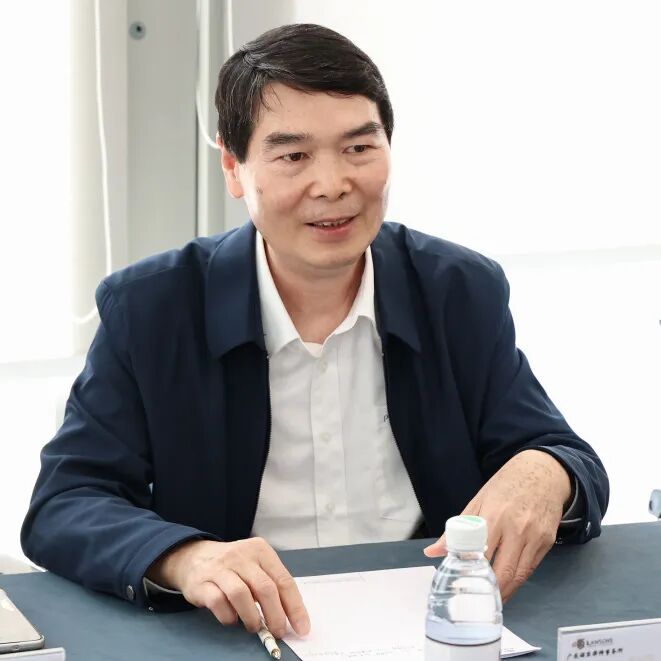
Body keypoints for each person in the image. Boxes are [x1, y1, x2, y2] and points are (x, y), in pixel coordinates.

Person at [22, 23, 608, 641]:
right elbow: (67, 503)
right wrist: (186, 558)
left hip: (428, 624)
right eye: (293, 156)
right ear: (234, 167)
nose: (332, 185)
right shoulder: (151, 308)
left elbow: (565, 456)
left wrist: (546, 470)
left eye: (359, 147)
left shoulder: (458, 290)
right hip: (240, 632)